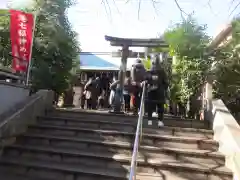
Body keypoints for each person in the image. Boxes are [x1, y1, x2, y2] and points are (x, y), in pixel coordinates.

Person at [146, 55, 168, 127]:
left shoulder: (149, 71)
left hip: (151, 92)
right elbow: (166, 82)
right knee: (160, 107)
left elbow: (146, 80)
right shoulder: (162, 72)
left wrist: (149, 84)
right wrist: (163, 88)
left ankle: (149, 121)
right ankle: (160, 121)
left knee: (150, 107)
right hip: (160, 92)